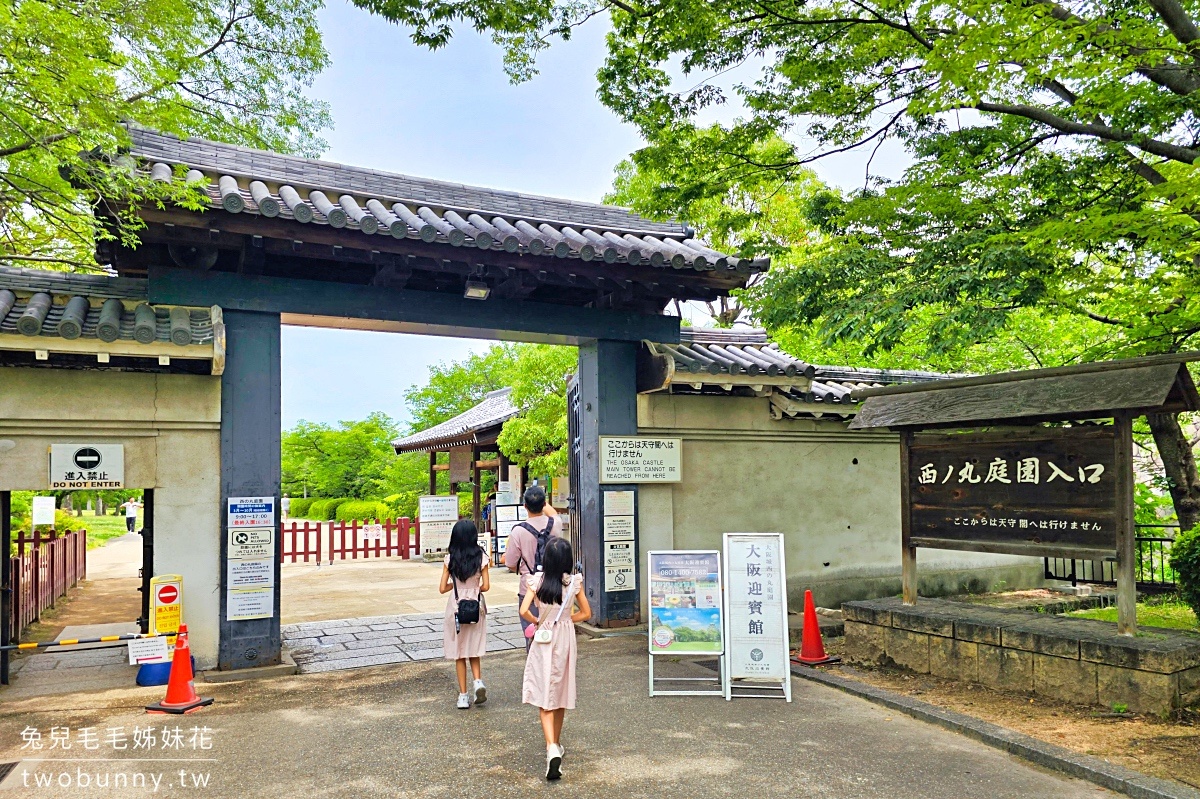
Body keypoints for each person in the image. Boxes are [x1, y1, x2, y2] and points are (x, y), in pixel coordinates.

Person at [520, 536, 590, 781]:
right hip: (564, 637)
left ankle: (551, 746)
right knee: (559, 689)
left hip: (543, 638)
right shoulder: (573, 584)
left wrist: (538, 621)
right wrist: (568, 620)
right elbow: (587, 612)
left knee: (543, 691)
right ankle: (556, 744)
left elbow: (523, 610)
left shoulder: (537, 581)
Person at [439, 519, 490, 709]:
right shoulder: (482, 557)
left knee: (459, 653)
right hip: (476, 606)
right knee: (474, 649)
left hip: (456, 607)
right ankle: (478, 682)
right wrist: (473, 587)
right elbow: (486, 586)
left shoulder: (450, 559)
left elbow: (442, 588)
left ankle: (463, 696)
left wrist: (457, 586)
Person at [504, 485, 562, 649]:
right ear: (544, 504)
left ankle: (535, 667)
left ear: (524, 507)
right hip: (554, 585)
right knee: (554, 633)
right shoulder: (555, 524)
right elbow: (552, 513)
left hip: (529, 587)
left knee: (532, 634)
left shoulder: (518, 531)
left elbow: (510, 563)